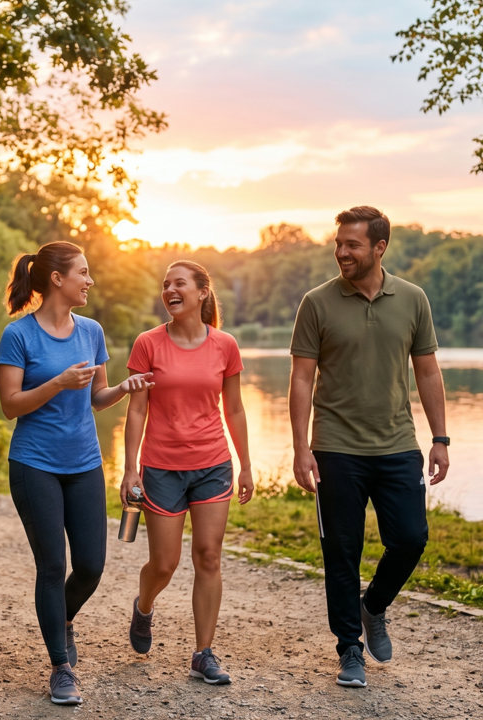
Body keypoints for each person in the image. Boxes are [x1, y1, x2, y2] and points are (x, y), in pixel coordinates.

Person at [289, 206, 450, 689]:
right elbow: (301, 378)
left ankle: (373, 606)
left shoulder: (413, 299)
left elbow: (427, 370)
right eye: (339, 243)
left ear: (379, 248)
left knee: (411, 538)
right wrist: (301, 447)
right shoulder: (316, 302)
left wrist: (440, 437)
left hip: (398, 444)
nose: (341, 252)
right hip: (336, 447)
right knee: (341, 552)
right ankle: (349, 650)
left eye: (352, 245)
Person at [0, 241, 153, 707]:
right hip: (34, 464)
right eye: (83, 273)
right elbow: (10, 406)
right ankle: (61, 667)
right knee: (52, 566)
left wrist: (124, 387)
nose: (90, 280)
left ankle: (61, 621)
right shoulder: (19, 335)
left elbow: (97, 397)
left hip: (84, 463)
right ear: (57, 280)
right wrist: (57, 382)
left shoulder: (91, 331)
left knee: (90, 565)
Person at [120, 260, 253, 687]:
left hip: (213, 464)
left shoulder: (225, 345)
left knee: (209, 556)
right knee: (165, 562)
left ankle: (203, 653)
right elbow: (136, 409)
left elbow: (233, 407)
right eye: (165, 285)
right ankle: (144, 607)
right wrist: (129, 470)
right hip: (161, 468)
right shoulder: (148, 344)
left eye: (180, 284)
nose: (170, 290)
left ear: (201, 293)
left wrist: (246, 463)